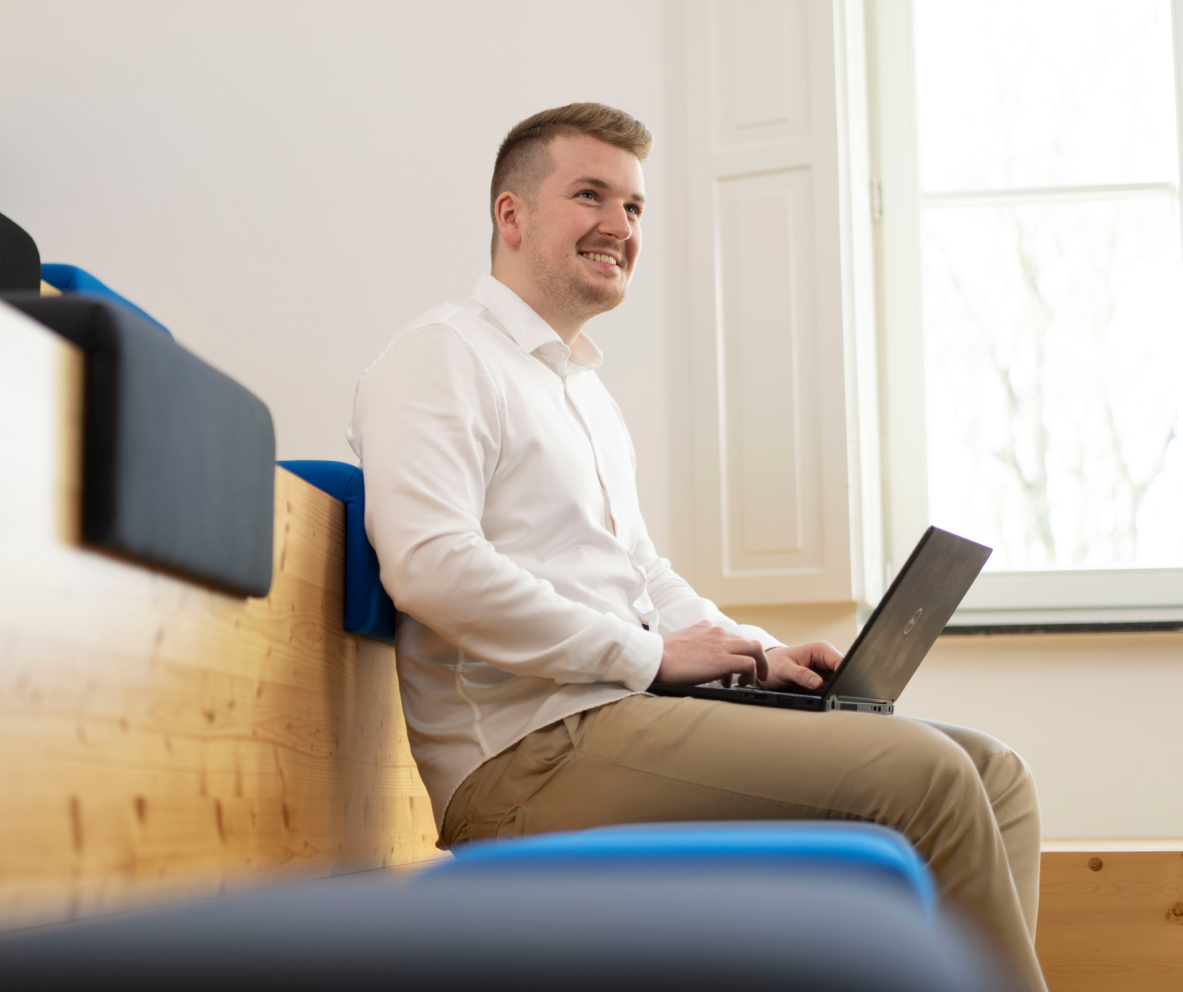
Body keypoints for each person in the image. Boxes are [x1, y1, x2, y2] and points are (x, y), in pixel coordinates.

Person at [348, 102, 1046, 991]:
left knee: (997, 772)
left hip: (612, 716)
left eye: (634, 207)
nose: (619, 226)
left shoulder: (583, 390)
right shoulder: (439, 357)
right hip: (525, 757)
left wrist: (757, 656)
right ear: (511, 216)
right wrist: (647, 655)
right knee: (933, 776)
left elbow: (643, 574)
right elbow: (431, 565)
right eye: (591, 195)